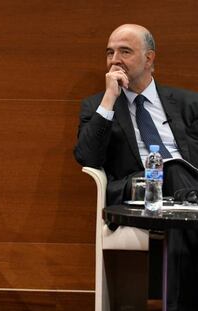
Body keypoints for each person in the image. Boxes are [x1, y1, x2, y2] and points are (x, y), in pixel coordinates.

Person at [74, 24, 198, 311]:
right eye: (109, 52)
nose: (114, 59)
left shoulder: (188, 103)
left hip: (185, 187)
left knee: (180, 181)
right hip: (136, 189)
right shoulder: (97, 105)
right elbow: (86, 157)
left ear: (149, 58)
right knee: (173, 169)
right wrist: (109, 99)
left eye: (125, 51)